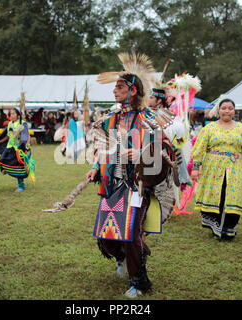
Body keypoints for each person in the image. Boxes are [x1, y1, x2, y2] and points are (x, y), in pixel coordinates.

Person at [86, 52, 174, 298]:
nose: (115, 90)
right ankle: (124, 256)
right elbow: (100, 147)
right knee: (107, 236)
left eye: (120, 87)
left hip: (137, 186)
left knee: (130, 231)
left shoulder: (148, 119)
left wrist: (141, 153)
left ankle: (138, 281)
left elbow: (164, 151)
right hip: (111, 183)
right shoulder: (110, 119)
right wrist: (95, 166)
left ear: (133, 91)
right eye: (115, 86)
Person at [191, 99, 242, 240]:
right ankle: (217, 227)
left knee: (231, 196)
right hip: (213, 168)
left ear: (234, 111)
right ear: (219, 110)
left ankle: (229, 228)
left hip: (235, 168)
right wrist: (196, 168)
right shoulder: (209, 128)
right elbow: (199, 148)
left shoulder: (241, 128)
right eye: (223, 108)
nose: (227, 111)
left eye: (230, 108)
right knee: (218, 194)